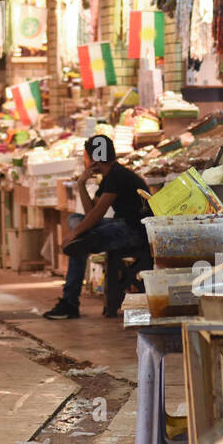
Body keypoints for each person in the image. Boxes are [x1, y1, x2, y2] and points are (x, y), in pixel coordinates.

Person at [43, 134, 150, 320]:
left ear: (93, 158)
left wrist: (74, 234)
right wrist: (81, 184)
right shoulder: (111, 175)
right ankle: (83, 241)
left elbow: (97, 213)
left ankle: (70, 302)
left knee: (78, 240)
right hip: (121, 226)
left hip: (134, 231)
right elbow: (89, 211)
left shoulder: (117, 176)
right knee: (76, 221)